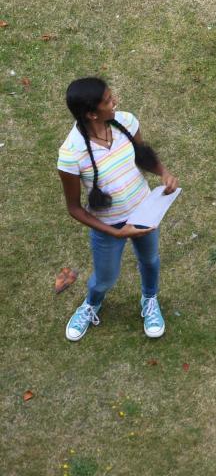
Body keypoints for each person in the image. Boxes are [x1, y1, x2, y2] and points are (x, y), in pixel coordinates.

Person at [57, 77, 179, 341]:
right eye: (109, 100)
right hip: (108, 227)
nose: (116, 102)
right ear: (91, 114)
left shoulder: (125, 121)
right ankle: (91, 304)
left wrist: (163, 173)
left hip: (144, 212)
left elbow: (142, 154)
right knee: (105, 278)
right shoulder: (71, 155)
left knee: (149, 260)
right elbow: (75, 208)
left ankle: (149, 300)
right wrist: (114, 233)